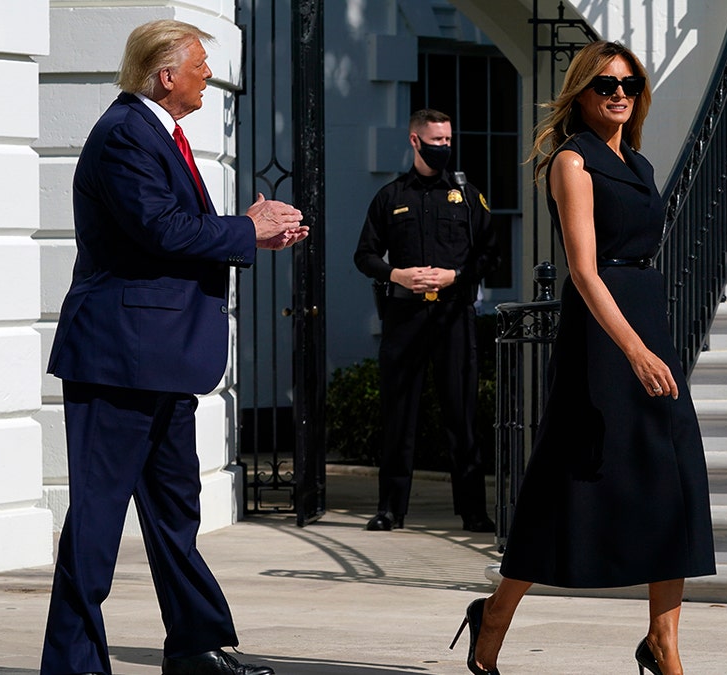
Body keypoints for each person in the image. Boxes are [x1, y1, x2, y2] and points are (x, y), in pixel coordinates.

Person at [41, 20, 307, 675]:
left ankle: (195, 648)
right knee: (99, 521)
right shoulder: (127, 135)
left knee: (174, 513)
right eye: (198, 66)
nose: (206, 76)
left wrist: (250, 236)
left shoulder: (157, 134)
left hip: (161, 357)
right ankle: (73, 665)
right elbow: (162, 229)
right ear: (166, 74)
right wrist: (246, 227)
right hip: (119, 359)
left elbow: (176, 231)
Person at [448, 41, 715, 675]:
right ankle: (495, 614)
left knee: (673, 481)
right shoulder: (573, 161)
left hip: (647, 316)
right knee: (566, 485)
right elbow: (584, 273)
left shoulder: (641, 165)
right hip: (604, 336)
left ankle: (663, 642)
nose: (619, 93)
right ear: (582, 94)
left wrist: (653, 344)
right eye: (604, 85)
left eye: (629, 83)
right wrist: (635, 352)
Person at [353, 109, 499, 533]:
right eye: (436, 141)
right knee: (399, 416)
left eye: (448, 140)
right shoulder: (391, 196)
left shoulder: (467, 194)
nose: (444, 148)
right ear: (415, 141)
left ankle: (473, 511)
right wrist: (396, 274)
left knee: (461, 415)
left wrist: (455, 275)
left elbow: (490, 254)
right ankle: (390, 509)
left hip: (453, 316)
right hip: (405, 317)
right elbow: (363, 255)